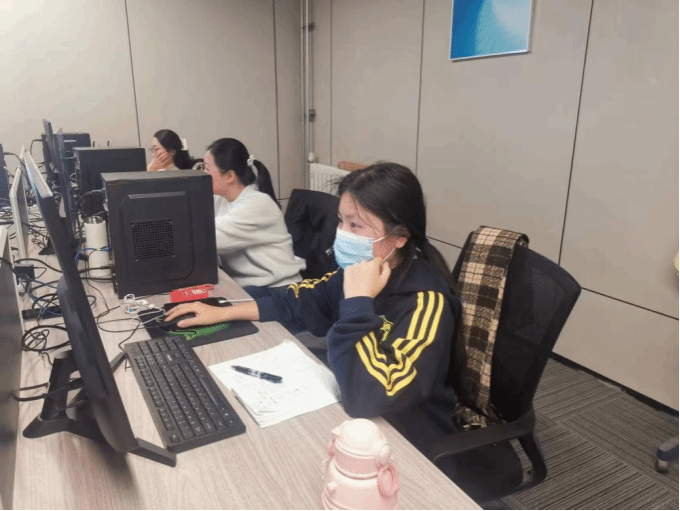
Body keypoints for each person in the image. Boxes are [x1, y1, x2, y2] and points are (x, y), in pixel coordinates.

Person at [166, 162, 462, 432]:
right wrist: (223, 311)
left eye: (355, 225)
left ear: (399, 237)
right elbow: (297, 301)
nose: (342, 233)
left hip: (406, 436)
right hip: (352, 417)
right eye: (341, 221)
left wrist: (358, 303)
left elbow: (372, 396)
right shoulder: (356, 272)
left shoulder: (427, 303)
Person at [204, 138, 305, 294]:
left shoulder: (256, 204)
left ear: (229, 176)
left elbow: (206, 239)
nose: (203, 174)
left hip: (278, 289)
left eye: (207, 168)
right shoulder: (222, 199)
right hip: (253, 286)